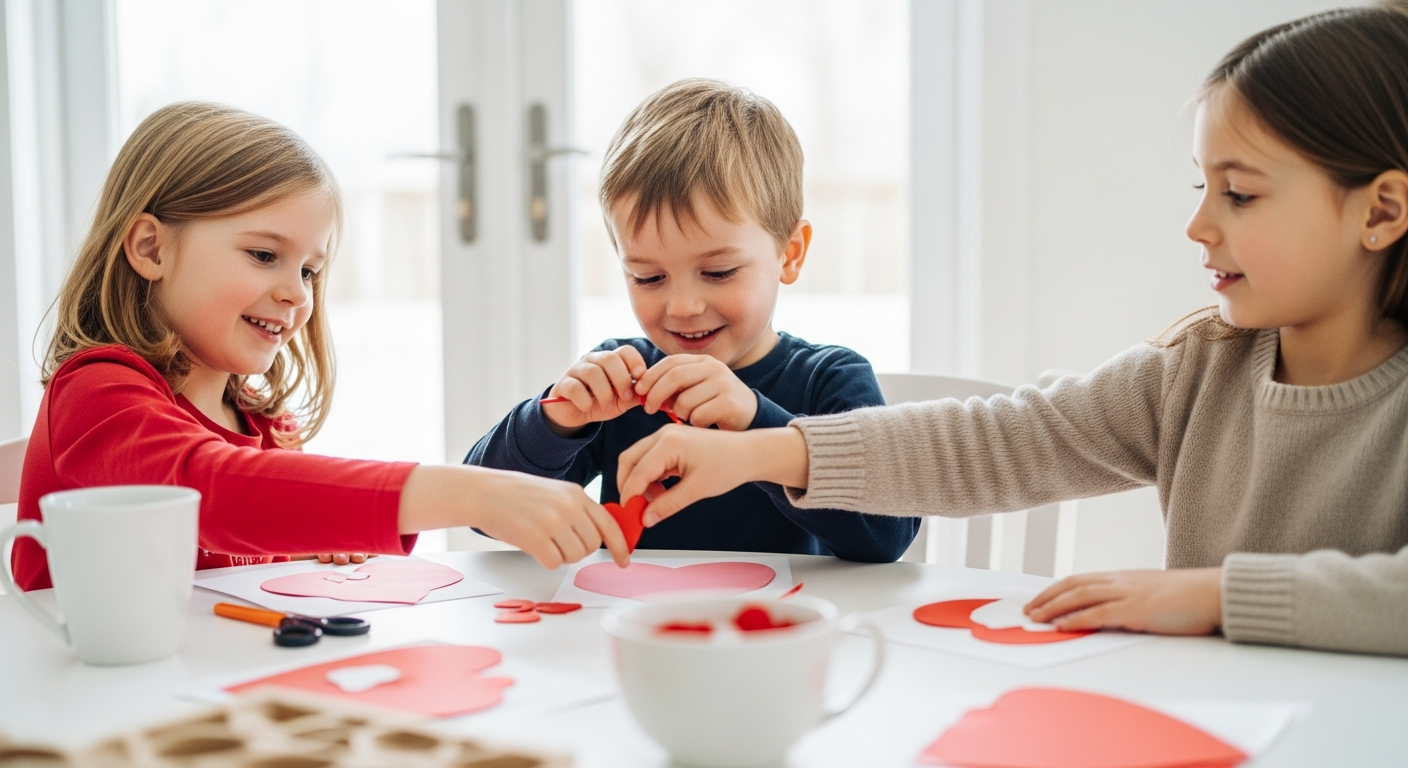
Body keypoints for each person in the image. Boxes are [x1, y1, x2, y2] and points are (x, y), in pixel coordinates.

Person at [615, 5, 1408, 655]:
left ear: (1380, 212)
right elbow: (1000, 441)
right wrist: (756, 451)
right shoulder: (1196, 370)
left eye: (1239, 194)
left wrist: (1211, 595)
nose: (1198, 224)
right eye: (1202, 186)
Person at [13, 102, 629, 592]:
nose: (297, 296)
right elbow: (214, 491)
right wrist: (469, 492)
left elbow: (262, 523)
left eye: (310, 270)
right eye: (263, 255)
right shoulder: (94, 393)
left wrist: (311, 541)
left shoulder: (268, 426)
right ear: (150, 248)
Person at [466, 79, 919, 561]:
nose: (682, 306)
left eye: (718, 272)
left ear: (790, 254)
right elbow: (482, 515)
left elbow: (887, 538)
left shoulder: (829, 380)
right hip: (635, 629)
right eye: (648, 277)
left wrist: (755, 422)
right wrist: (554, 423)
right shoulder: (624, 381)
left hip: (783, 631)